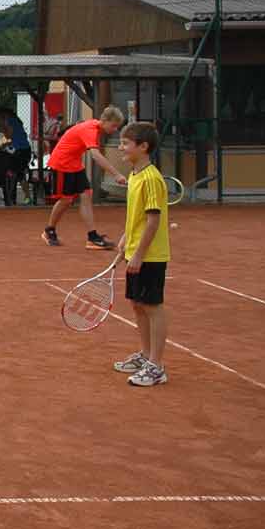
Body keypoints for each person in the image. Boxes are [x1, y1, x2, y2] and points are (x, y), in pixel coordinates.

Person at [112, 121, 171, 387]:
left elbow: (153, 221)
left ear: (143, 147)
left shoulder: (151, 179)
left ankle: (156, 366)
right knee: (137, 304)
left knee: (152, 306)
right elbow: (136, 217)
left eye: (126, 143)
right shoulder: (135, 176)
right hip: (136, 250)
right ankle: (146, 356)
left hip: (151, 255)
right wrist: (126, 239)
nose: (120, 147)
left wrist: (138, 255)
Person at [42, 105, 128, 249]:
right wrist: (116, 174)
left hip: (75, 165)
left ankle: (92, 237)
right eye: (113, 126)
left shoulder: (96, 128)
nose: (115, 130)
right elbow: (95, 155)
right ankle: (49, 231)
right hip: (62, 164)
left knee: (86, 196)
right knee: (66, 200)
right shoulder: (91, 130)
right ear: (105, 120)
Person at [0, 106, 33, 200]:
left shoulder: (9, 121)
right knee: (17, 173)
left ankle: (13, 196)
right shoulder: (15, 121)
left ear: (4, 116)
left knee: (14, 172)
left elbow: (9, 135)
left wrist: (3, 127)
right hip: (24, 150)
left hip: (22, 151)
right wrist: (6, 144)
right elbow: (15, 138)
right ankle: (19, 196)